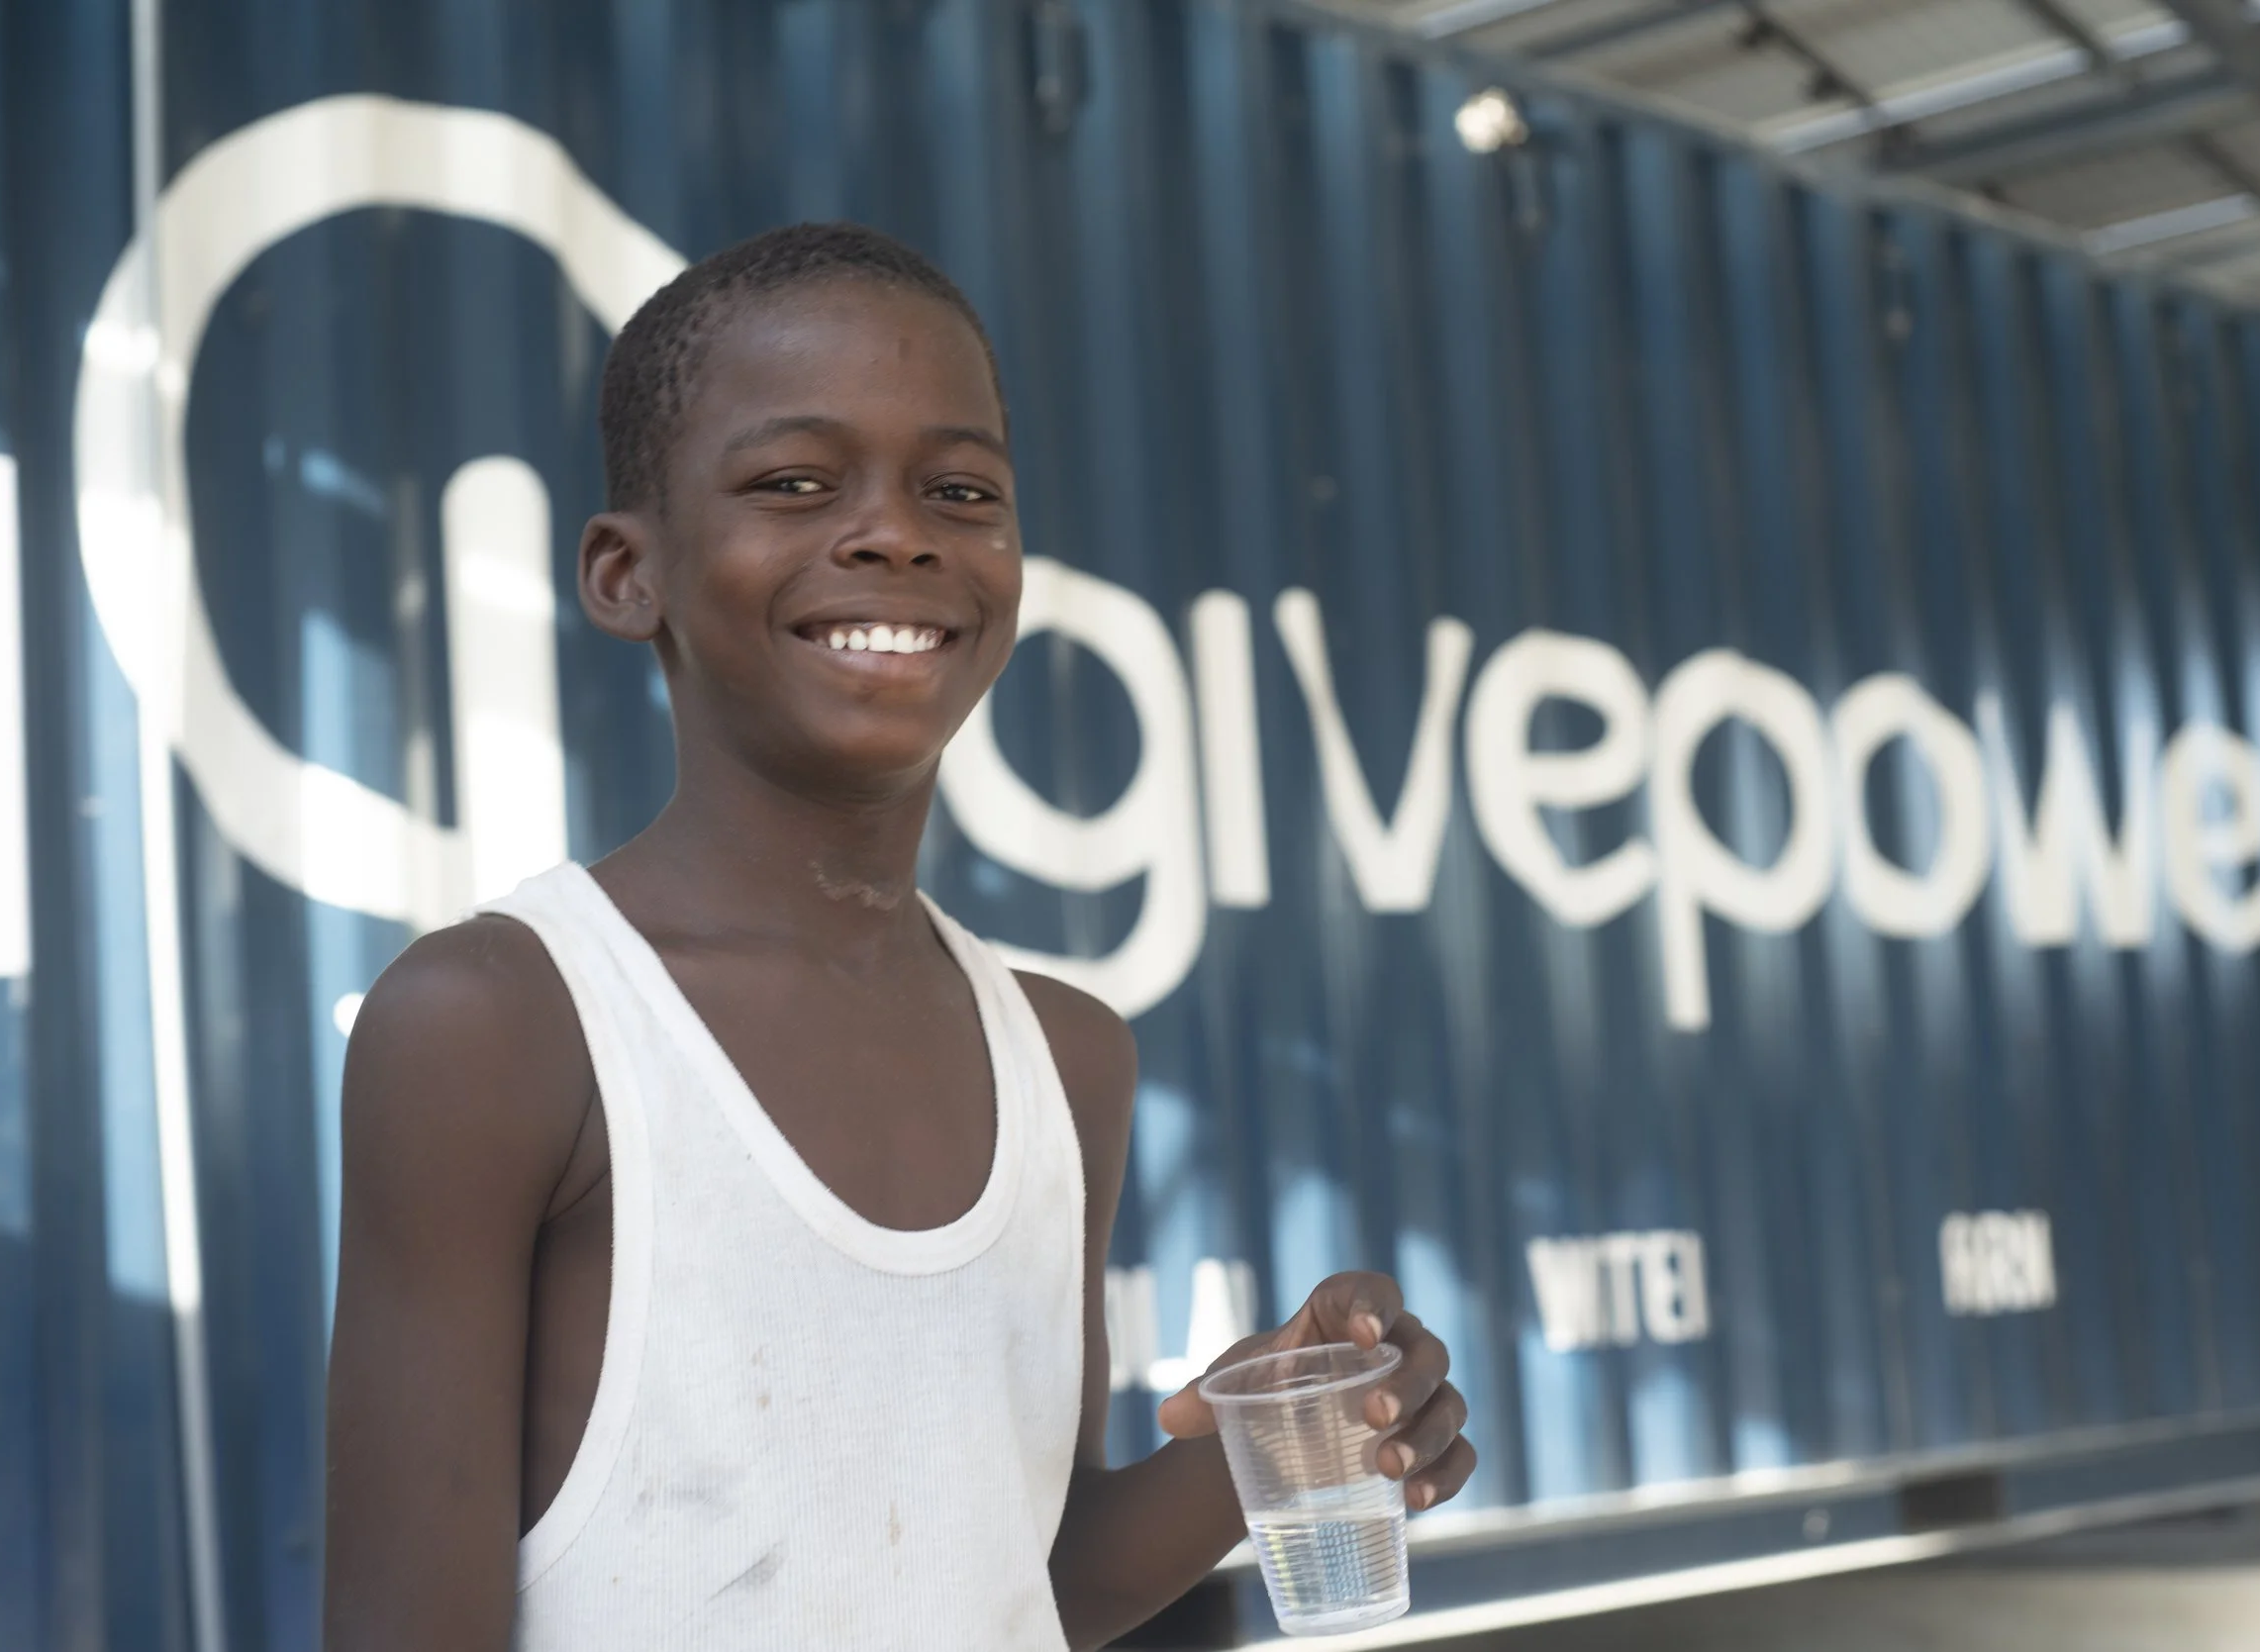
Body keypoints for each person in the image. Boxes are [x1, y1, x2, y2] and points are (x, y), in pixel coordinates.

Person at [322, 221, 1475, 1651]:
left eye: (960, 489)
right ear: (629, 574)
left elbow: (1022, 1580)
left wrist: (1291, 1433)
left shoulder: (1066, 1058)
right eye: (795, 483)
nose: (896, 532)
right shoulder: (502, 1022)